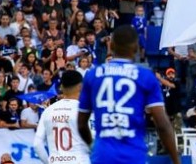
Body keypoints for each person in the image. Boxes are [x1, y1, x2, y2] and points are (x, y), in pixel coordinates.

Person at [77, 26, 180, 164]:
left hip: (103, 155)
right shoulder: (145, 76)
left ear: (111, 45)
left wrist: (92, 146)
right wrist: (176, 161)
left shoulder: (93, 75)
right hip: (133, 156)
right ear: (136, 48)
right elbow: (162, 124)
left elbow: (81, 124)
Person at [34, 70, 89, 164]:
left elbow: (37, 144)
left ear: (61, 87)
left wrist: (48, 162)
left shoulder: (48, 111)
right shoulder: (85, 111)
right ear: (81, 86)